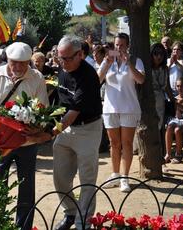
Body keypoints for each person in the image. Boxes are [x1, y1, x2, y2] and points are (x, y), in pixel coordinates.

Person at [0, 42, 49, 230]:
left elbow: (43, 111)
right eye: (13, 62)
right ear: (7, 60)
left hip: (27, 143)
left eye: (22, 63)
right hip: (1, 143)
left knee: (26, 189)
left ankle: (23, 227)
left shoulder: (37, 78)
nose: (17, 67)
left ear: (29, 62)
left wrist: (37, 129)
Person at [45, 35, 102, 230]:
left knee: (87, 179)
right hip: (66, 129)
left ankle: (82, 222)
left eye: (67, 58)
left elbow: (73, 112)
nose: (63, 63)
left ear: (80, 55)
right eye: (60, 58)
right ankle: (70, 213)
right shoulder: (63, 69)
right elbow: (62, 106)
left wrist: (49, 133)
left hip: (88, 128)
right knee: (60, 177)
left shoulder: (88, 76)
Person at [97, 33, 145, 193]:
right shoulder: (108, 61)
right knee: (114, 144)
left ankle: (125, 178)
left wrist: (129, 63)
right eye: (116, 45)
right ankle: (115, 175)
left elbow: (141, 80)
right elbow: (97, 80)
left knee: (127, 144)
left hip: (129, 108)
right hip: (110, 108)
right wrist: (106, 63)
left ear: (128, 46)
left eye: (122, 45)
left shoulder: (136, 61)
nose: (119, 48)